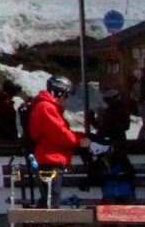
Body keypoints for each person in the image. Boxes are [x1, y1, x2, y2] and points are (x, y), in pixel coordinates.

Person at [27, 76, 89, 207]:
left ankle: (39, 225)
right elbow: (60, 133)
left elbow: (61, 130)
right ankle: (47, 226)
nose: (64, 100)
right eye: (65, 96)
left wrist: (83, 135)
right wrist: (79, 141)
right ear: (58, 92)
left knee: (47, 200)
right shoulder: (46, 107)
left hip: (49, 159)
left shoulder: (46, 107)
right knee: (51, 202)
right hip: (49, 160)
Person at [83, 135, 136, 205]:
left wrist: (117, 176)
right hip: (109, 193)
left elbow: (131, 173)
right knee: (109, 204)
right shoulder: (98, 162)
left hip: (126, 191)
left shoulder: (120, 157)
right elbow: (94, 176)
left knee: (130, 205)